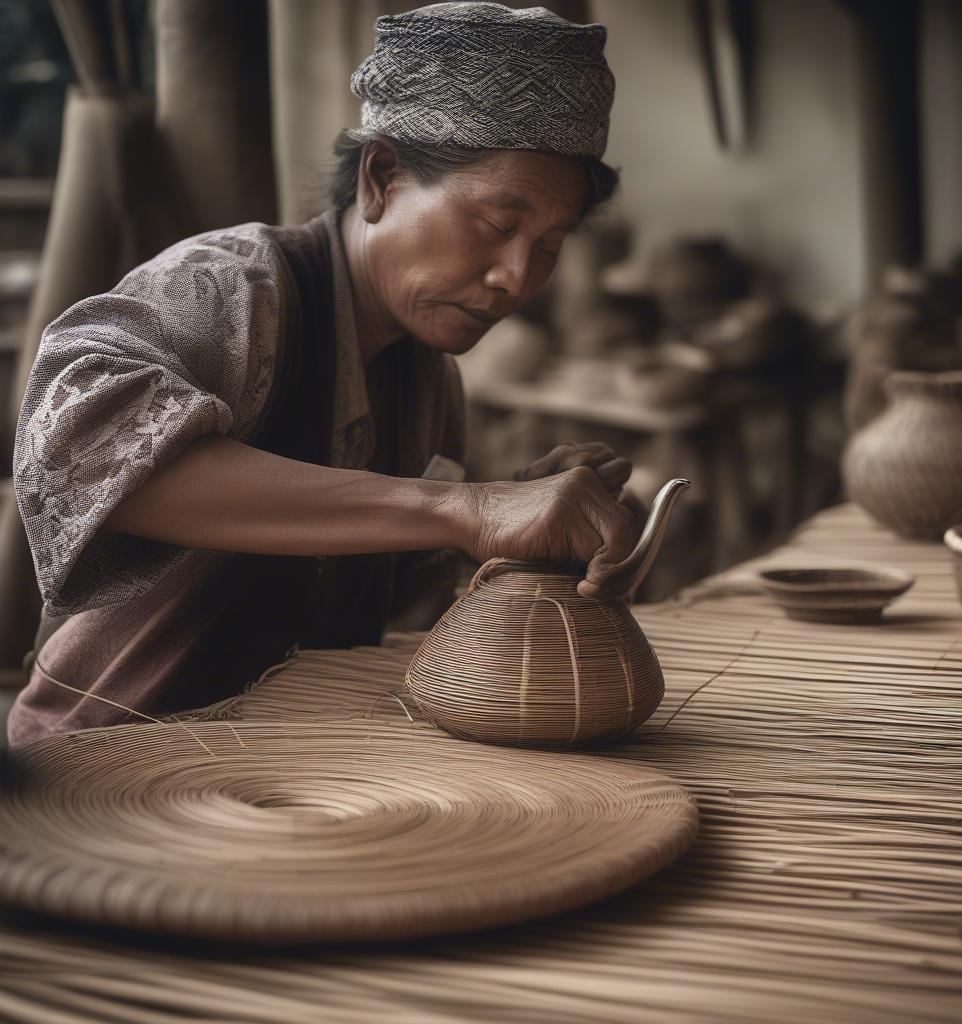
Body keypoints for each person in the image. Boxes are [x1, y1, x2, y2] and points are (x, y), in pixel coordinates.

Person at [9, 2, 639, 745]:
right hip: (113, 770)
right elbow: (77, 454)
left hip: (293, 770)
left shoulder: (429, 380)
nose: (517, 276)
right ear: (382, 178)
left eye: (550, 245)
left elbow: (399, 609)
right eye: (499, 225)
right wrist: (461, 507)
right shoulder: (230, 289)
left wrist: (509, 535)